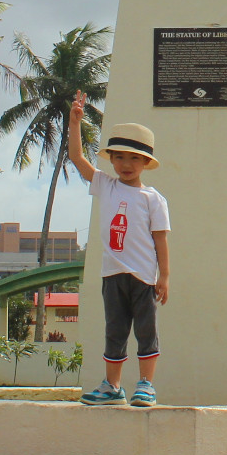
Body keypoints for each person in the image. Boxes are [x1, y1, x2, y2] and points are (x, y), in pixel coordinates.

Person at [68, 90, 171, 406]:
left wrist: (163, 277)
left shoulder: (153, 199)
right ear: (111, 159)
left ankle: (146, 384)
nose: (126, 164)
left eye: (135, 158)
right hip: (112, 274)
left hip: (142, 276)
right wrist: (75, 123)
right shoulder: (105, 185)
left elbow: (160, 239)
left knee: (145, 331)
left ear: (145, 163)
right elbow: (77, 158)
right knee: (114, 331)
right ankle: (112, 386)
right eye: (120, 157)